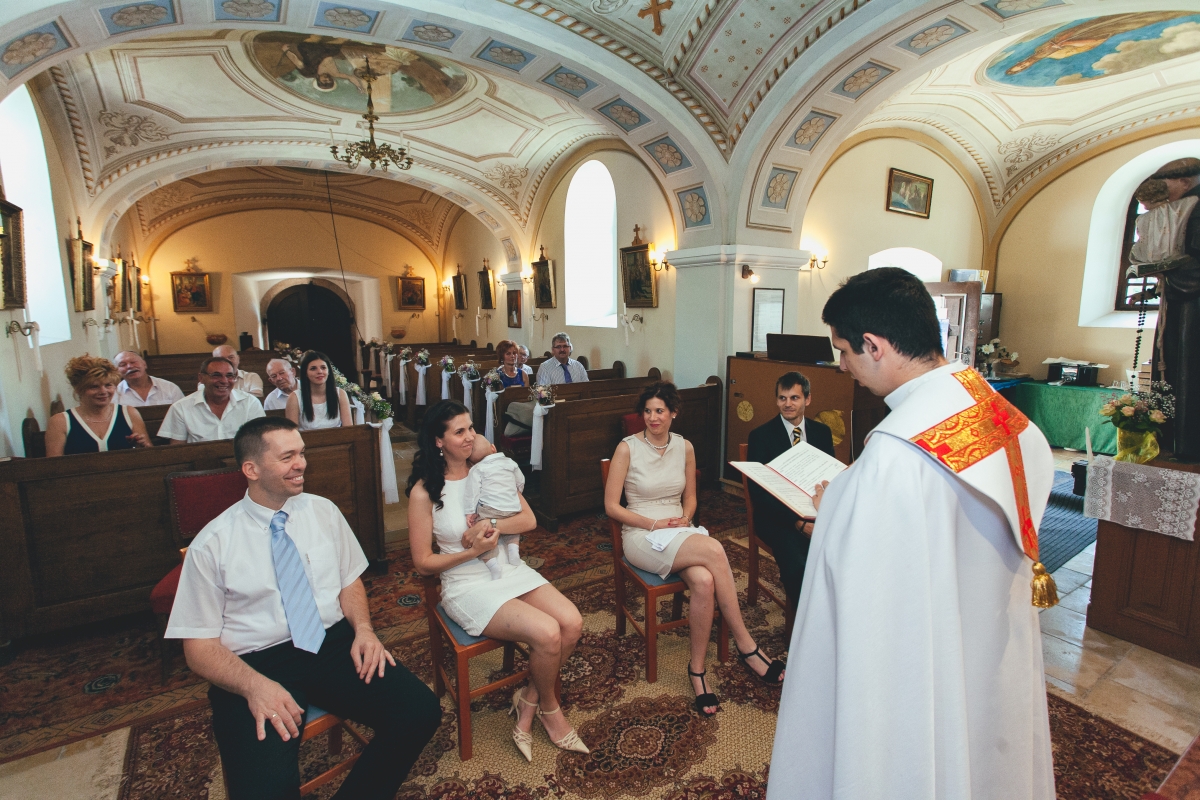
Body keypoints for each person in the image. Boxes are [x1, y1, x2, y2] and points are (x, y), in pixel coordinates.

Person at [768, 267, 1056, 799]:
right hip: (987, 632)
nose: (842, 365)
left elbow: (865, 572)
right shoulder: (996, 410)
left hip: (922, 652)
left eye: (844, 351)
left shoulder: (898, 452)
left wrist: (833, 511)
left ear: (874, 346)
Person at [165, 417, 441, 800]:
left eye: (302, 453)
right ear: (252, 469)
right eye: (287, 457)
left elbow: (348, 582)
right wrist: (254, 686)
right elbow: (198, 648)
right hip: (256, 663)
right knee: (266, 791)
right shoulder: (212, 544)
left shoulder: (323, 511)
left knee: (420, 711)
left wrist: (364, 630)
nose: (302, 464)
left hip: (330, 644)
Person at [407, 400, 587, 761]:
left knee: (572, 622)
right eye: (459, 431)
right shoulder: (424, 491)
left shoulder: (489, 468)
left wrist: (490, 525)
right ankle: (551, 711)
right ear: (438, 441)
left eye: (471, 428)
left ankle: (529, 698)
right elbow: (424, 563)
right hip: (466, 584)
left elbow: (528, 520)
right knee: (548, 632)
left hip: (507, 568)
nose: (470, 436)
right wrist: (472, 552)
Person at [604, 382, 784, 719]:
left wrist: (686, 517)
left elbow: (690, 497)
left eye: (660, 411)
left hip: (677, 527)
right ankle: (747, 645)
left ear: (673, 413)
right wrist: (654, 524)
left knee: (704, 581)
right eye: (648, 411)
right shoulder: (627, 448)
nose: (653, 417)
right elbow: (612, 506)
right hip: (641, 533)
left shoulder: (684, 446)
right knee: (715, 551)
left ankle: (697, 670)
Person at [745, 371, 836, 625]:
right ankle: (808, 626)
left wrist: (820, 517)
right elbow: (758, 494)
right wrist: (797, 522)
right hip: (777, 518)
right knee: (798, 564)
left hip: (816, 512)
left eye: (794, 397)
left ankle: (836, 616)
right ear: (776, 400)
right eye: (782, 398)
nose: (787, 404)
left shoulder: (822, 432)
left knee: (842, 554)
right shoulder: (760, 436)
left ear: (807, 399)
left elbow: (830, 479)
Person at [45, 355, 152, 456]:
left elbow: (150, 455)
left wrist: (143, 446)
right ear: (78, 389)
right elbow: (54, 465)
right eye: (94, 387)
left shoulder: (129, 413)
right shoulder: (60, 422)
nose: (103, 391)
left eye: (108, 385)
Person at [160, 356, 266, 444]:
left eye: (229, 375)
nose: (224, 381)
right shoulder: (181, 408)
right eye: (216, 375)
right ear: (201, 378)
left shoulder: (250, 403)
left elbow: (259, 442)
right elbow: (177, 450)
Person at [463, 436, 525, 580]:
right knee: (512, 526)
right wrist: (517, 492)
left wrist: (470, 512)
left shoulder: (476, 469)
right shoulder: (510, 462)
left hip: (490, 509)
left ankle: (492, 565)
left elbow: (472, 492)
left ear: (471, 461)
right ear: (493, 448)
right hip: (511, 506)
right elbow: (520, 480)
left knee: (484, 533)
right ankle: (513, 550)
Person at [285, 351, 352, 430]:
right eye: (313, 368)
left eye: (323, 368)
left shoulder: (340, 393)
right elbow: (292, 433)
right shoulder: (294, 397)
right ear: (305, 373)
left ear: (329, 371)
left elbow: (348, 429)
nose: (320, 372)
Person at [112, 350, 185, 407]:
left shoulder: (170, 388)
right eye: (123, 365)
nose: (129, 366)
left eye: (133, 362)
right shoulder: (114, 394)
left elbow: (183, 414)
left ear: (144, 364)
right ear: (117, 371)